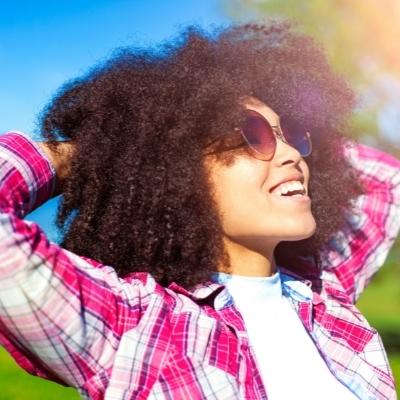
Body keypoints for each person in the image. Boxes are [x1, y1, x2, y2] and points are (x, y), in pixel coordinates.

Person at [0, 22, 399, 400]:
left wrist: (319, 138)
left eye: (292, 135)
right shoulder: (135, 328)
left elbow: (387, 181)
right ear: (176, 174)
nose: (292, 153)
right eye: (252, 135)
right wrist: (102, 156)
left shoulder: (326, 289)